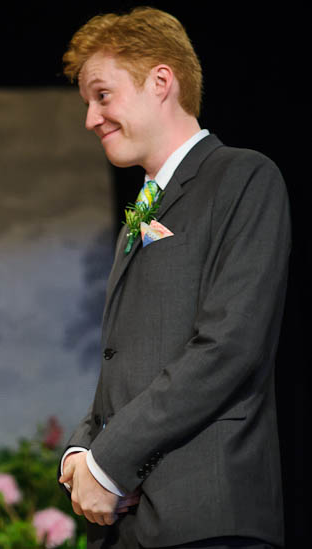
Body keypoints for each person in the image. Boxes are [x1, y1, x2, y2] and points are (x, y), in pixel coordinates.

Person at [56, 7, 289, 548]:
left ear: (161, 82)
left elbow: (229, 347)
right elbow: (126, 360)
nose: (91, 118)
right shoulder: (143, 209)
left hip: (205, 515)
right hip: (130, 522)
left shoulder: (242, 177)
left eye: (103, 95)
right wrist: (81, 451)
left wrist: (108, 461)